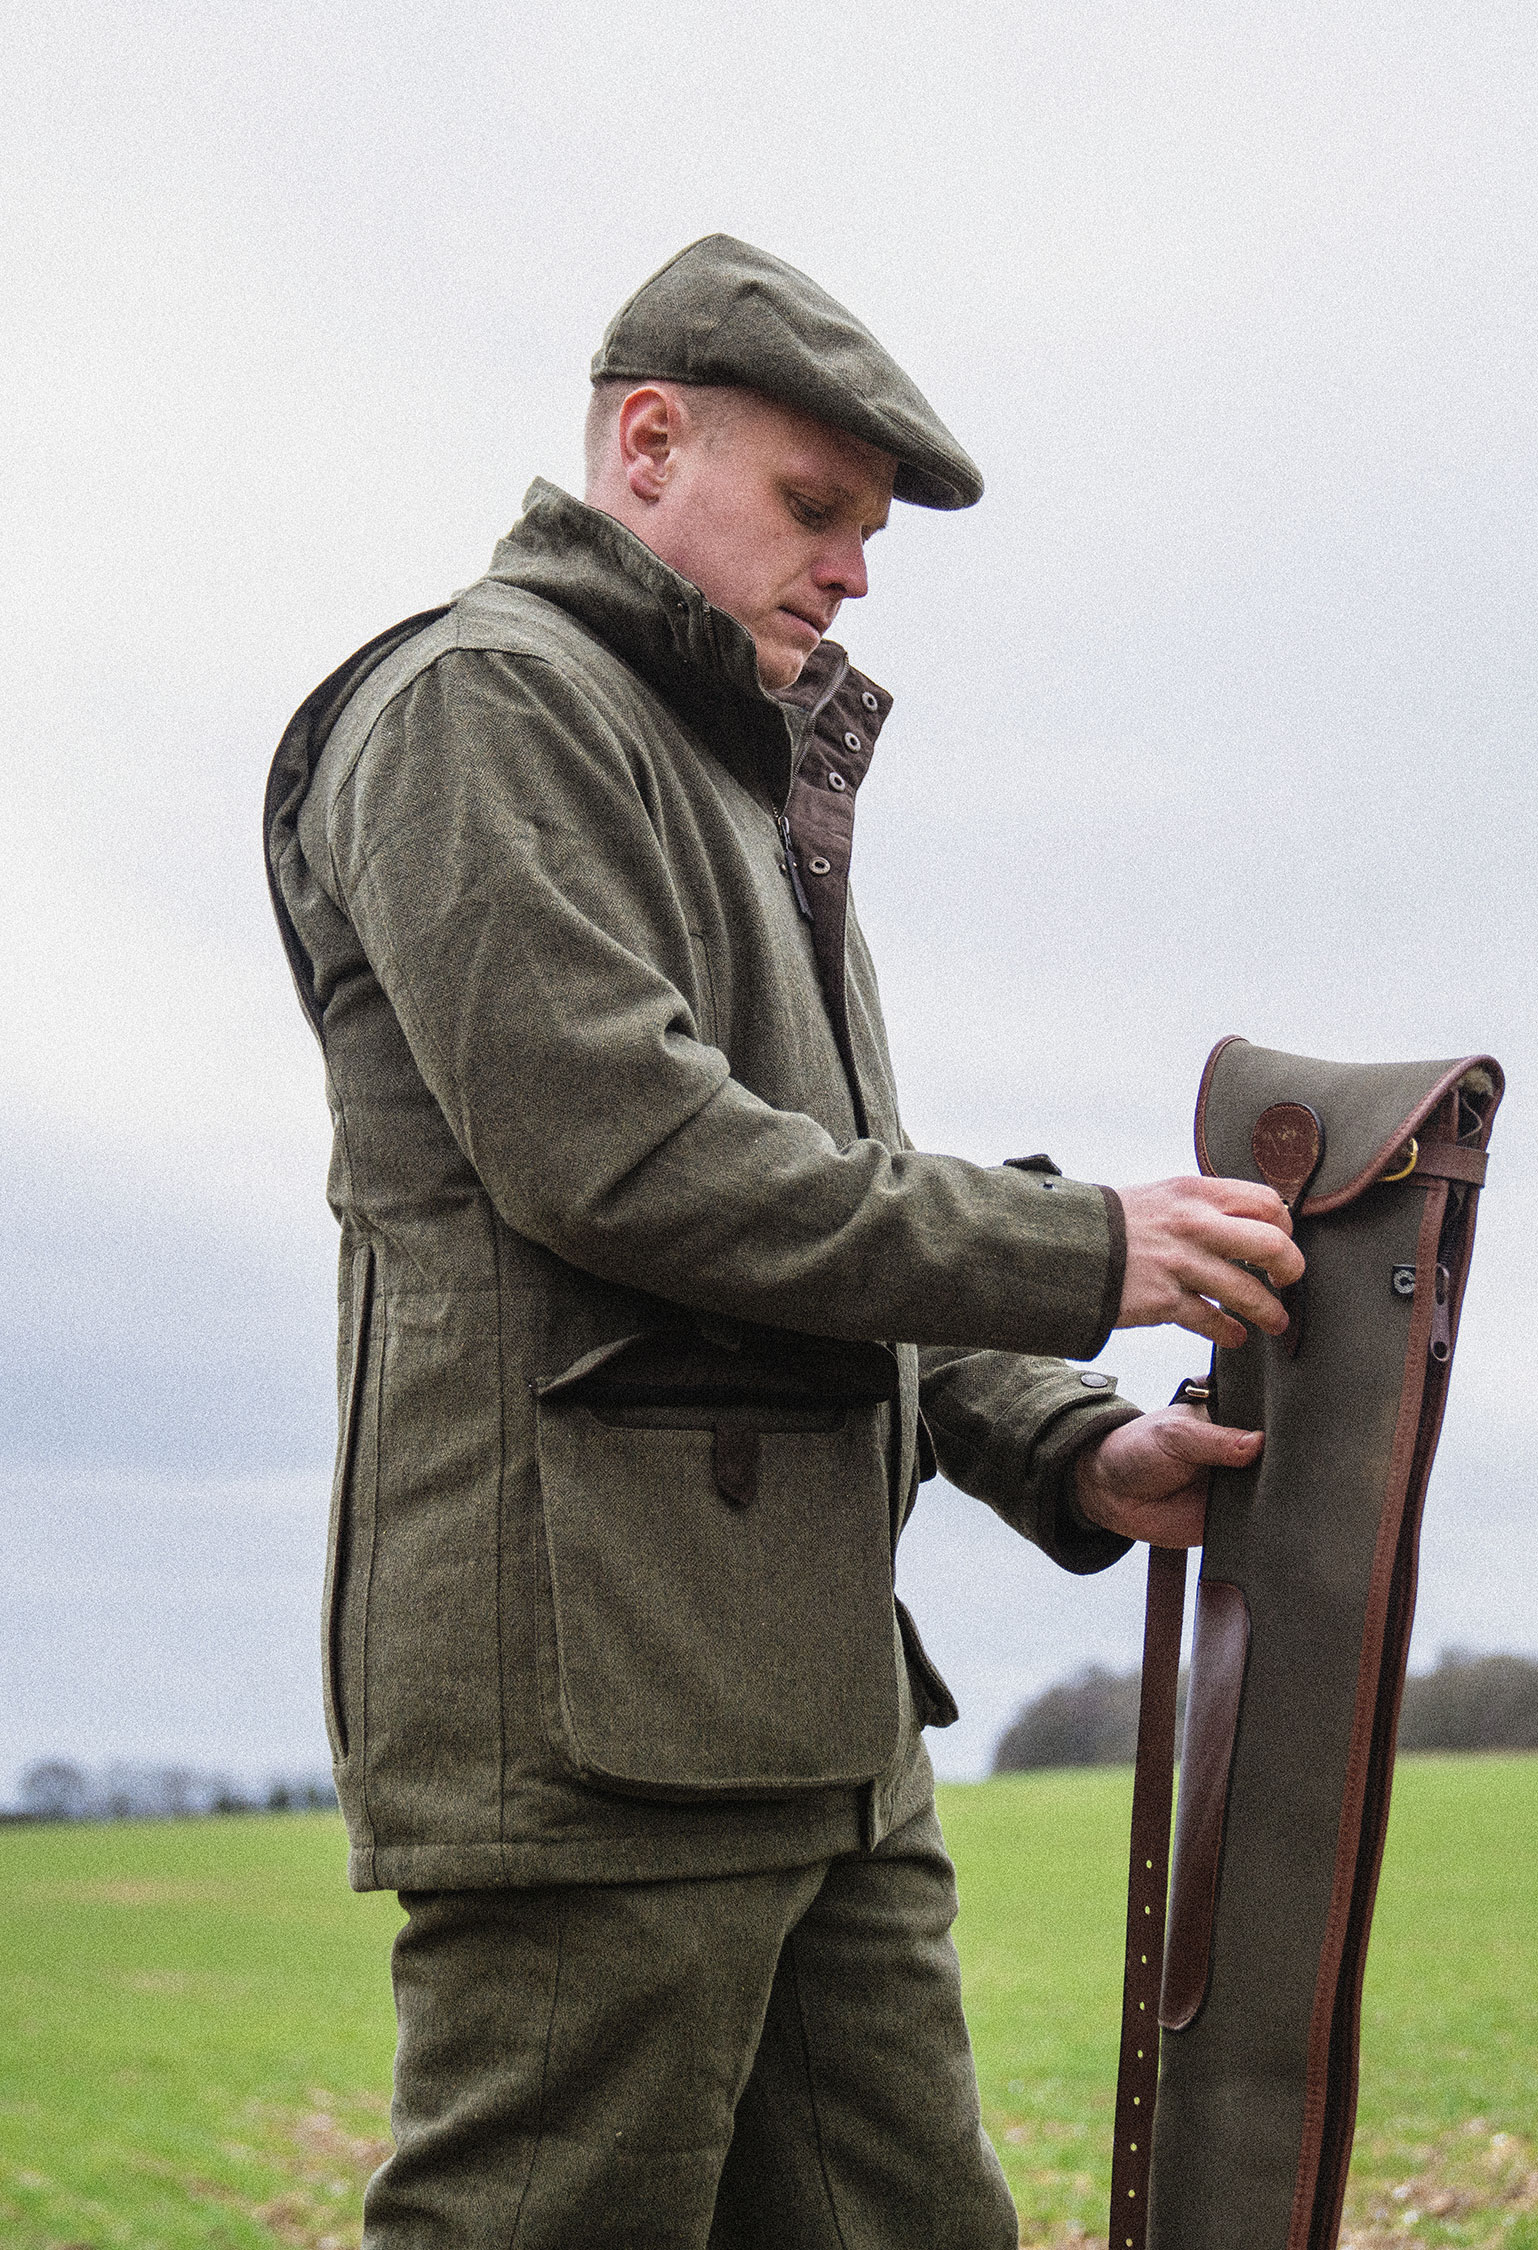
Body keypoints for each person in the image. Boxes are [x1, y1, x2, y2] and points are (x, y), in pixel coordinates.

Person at [264, 234, 1302, 2250]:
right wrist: (1093, 1245)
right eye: (818, 509)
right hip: (594, 1708)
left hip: (818, 1717)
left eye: (870, 533)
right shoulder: (486, 706)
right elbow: (639, 1166)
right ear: (648, 441)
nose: (850, 569)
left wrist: (1069, 1437)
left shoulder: (739, 779)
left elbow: (842, 1196)